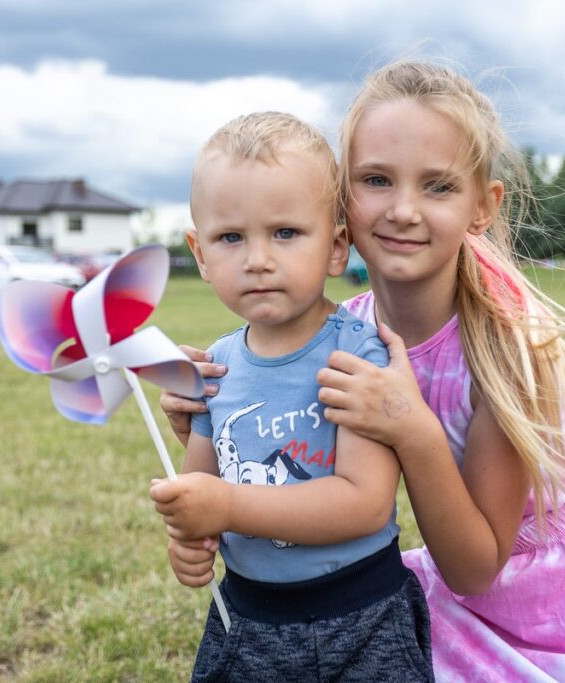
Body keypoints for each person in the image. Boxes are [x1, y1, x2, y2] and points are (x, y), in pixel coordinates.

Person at [162, 62, 565, 682]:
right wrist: (217, 421)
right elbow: (296, 461)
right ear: (341, 204)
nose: (404, 210)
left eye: (437, 187)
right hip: (457, 590)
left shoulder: (507, 349)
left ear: (482, 205)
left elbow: (475, 567)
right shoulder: (345, 335)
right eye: (376, 180)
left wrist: (410, 427)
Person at [148, 112, 433, 682]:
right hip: (248, 619)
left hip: (362, 617)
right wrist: (190, 538)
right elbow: (199, 496)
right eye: (230, 237)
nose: (257, 258)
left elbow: (364, 502)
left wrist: (226, 505)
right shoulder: (213, 369)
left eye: (285, 233)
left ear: (335, 247)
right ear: (199, 254)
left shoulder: (357, 355)